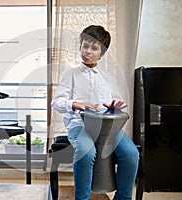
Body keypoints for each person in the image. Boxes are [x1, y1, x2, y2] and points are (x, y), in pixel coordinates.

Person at [51, 25, 139, 200]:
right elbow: (57, 102)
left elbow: (116, 100)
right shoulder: (72, 74)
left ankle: (123, 198)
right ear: (80, 46)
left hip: (108, 127)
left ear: (102, 53)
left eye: (94, 48)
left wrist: (115, 107)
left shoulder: (107, 76)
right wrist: (77, 104)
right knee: (86, 151)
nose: (88, 51)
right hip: (80, 126)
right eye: (85, 46)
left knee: (131, 154)